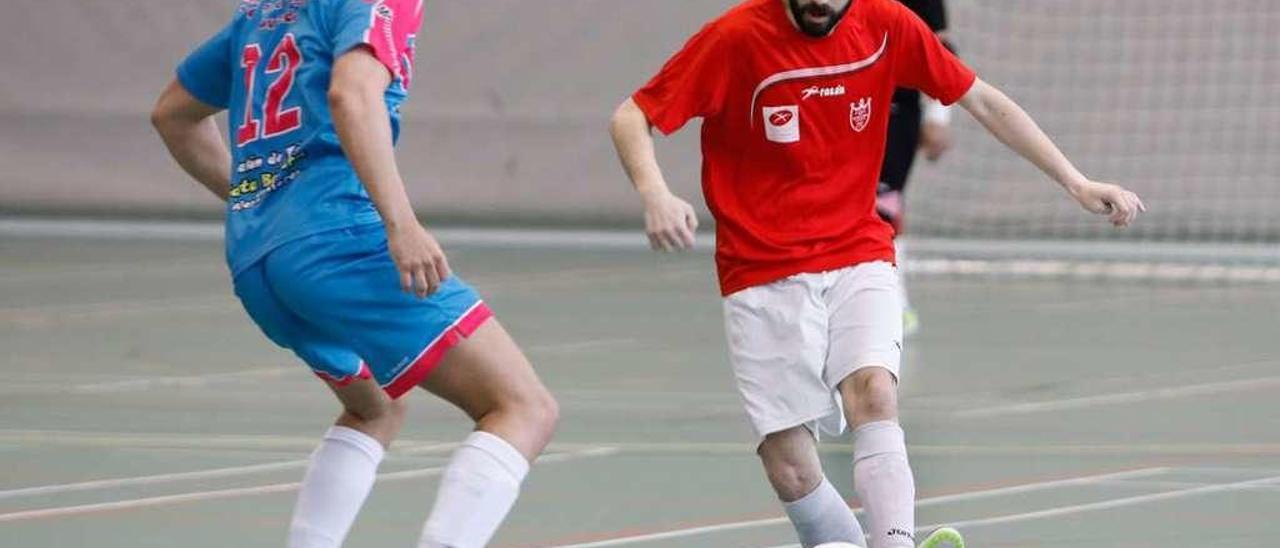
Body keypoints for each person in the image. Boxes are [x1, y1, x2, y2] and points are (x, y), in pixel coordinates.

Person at [608, 0, 1144, 547]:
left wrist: (1076, 182)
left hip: (856, 249)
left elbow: (981, 99)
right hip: (760, 269)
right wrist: (655, 193)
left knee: (874, 393)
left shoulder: (888, 25)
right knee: (789, 466)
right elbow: (632, 116)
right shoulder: (735, 38)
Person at [150, 1, 558, 547]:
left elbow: (172, 114)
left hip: (258, 262)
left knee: (374, 408)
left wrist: (259, 205)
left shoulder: (266, 11)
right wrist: (402, 225)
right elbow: (352, 93)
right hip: (340, 239)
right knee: (523, 407)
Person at [877, 0, 957, 336]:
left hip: (895, 108)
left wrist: (939, 115)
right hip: (829, 101)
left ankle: (895, 303)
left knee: (883, 204)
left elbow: (942, 47)